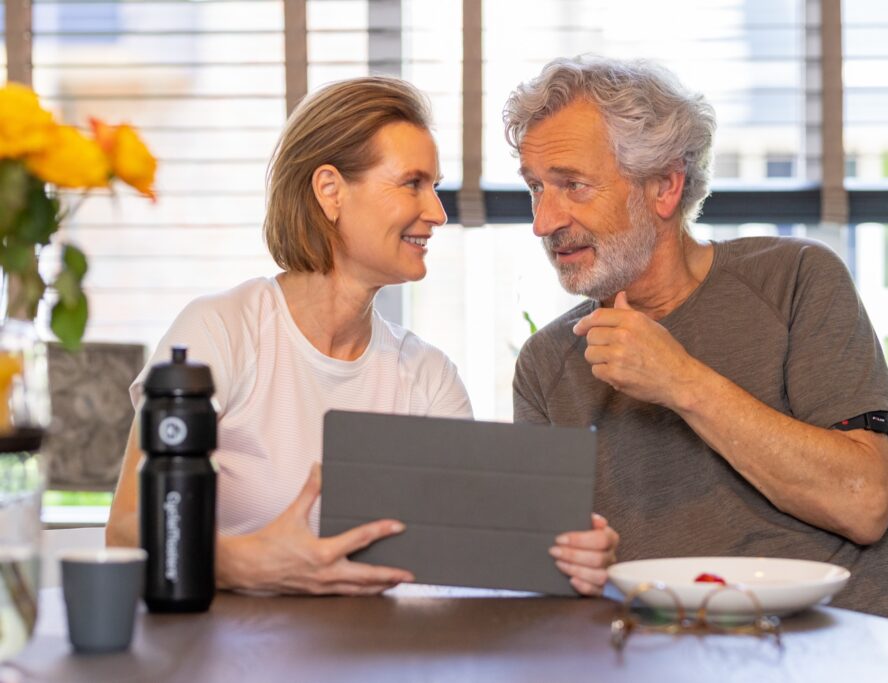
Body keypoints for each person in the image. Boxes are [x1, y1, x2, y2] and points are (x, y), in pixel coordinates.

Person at [107, 76, 617, 597]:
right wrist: (241, 564)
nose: (437, 213)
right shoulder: (218, 332)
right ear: (330, 191)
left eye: (436, 188)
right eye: (412, 183)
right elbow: (125, 533)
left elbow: (469, 556)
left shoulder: (428, 378)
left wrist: (562, 556)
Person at [503, 56, 888, 631]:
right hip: (665, 664)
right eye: (536, 188)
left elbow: (863, 503)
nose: (544, 221)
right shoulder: (547, 366)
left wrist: (680, 380)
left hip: (864, 649)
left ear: (665, 186)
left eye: (572, 185)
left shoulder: (795, 279)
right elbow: (551, 580)